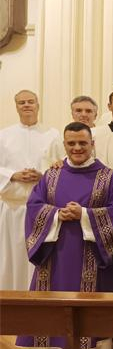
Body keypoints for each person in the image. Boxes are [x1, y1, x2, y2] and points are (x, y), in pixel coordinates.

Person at [17, 122, 113, 349]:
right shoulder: (52, 176)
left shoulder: (108, 177)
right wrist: (56, 215)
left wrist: (85, 215)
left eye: (82, 143)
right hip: (54, 261)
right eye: (71, 143)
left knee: (91, 326)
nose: (77, 148)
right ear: (64, 145)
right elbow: (34, 207)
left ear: (92, 144)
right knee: (51, 318)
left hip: (93, 262)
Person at [0, 90, 60, 290]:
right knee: (10, 259)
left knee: (35, 260)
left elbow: (60, 166)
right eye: (21, 102)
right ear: (16, 106)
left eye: (30, 102)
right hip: (11, 209)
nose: (26, 105)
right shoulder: (4, 135)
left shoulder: (52, 135)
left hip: (41, 211)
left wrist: (42, 175)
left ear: (38, 105)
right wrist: (12, 175)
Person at [41, 95, 99, 170]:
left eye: (88, 111)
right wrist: (54, 165)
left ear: (95, 115)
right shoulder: (59, 140)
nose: (83, 114)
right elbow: (47, 164)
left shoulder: (103, 137)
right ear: (72, 114)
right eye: (78, 111)